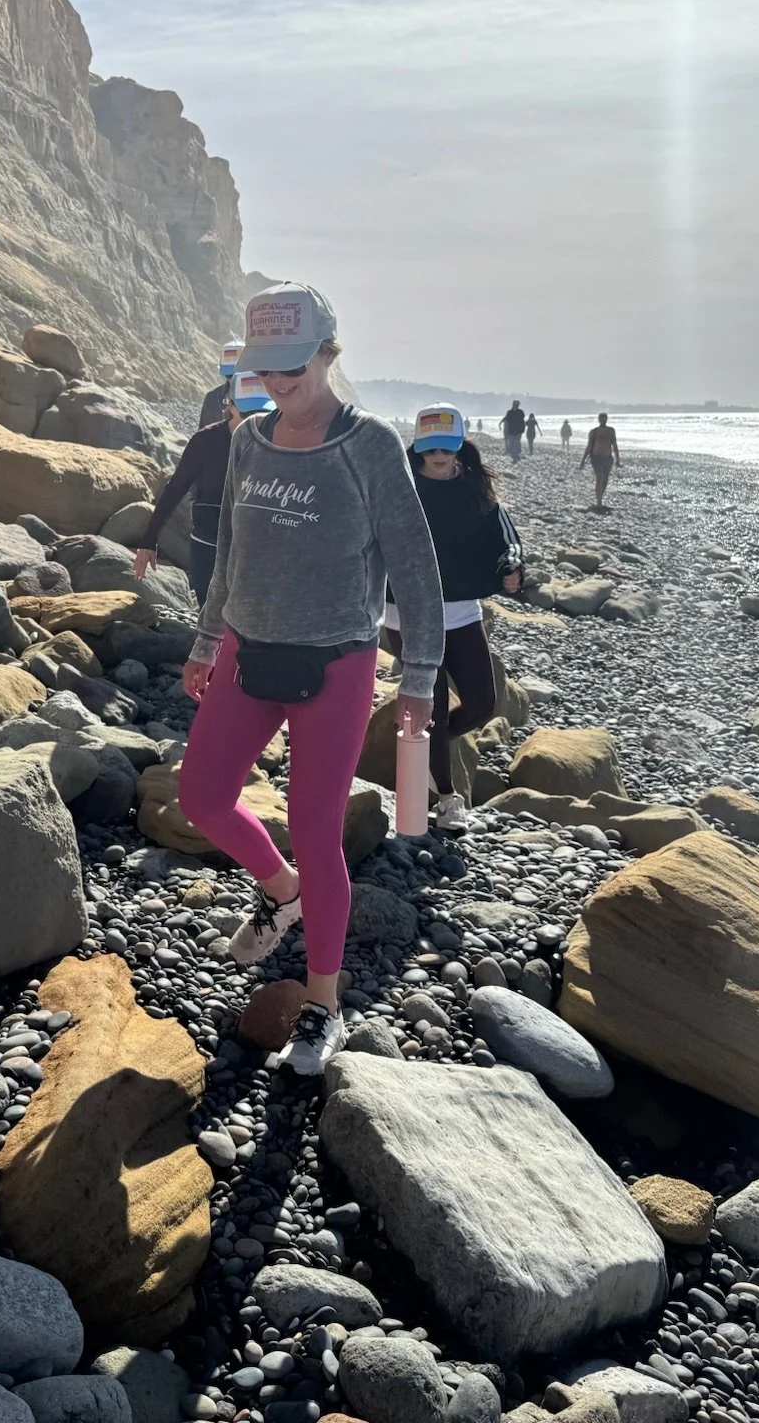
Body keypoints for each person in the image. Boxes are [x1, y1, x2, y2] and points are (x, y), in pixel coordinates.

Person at [178, 283, 444, 1075]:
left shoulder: (370, 446)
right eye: (265, 368)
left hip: (337, 662)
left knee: (318, 831)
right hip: (246, 650)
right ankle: (281, 890)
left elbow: (415, 568)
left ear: (329, 353)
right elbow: (231, 553)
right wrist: (206, 638)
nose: (278, 382)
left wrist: (420, 678)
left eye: (292, 366)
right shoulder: (249, 439)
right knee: (200, 797)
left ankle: (323, 1004)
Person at [382, 405, 522, 833]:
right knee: (435, 707)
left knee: (482, 703)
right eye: (430, 449)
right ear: (418, 448)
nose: (438, 456)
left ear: (460, 444)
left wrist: (512, 568)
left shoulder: (476, 488)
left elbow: (506, 540)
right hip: (407, 613)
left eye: (446, 447)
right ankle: (447, 798)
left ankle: (426, 747)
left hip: (461, 610)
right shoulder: (400, 486)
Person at [135, 372, 272, 602]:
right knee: (209, 613)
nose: (255, 420)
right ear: (230, 406)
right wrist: (149, 541)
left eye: (263, 413)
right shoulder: (205, 441)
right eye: (248, 414)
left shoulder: (276, 444)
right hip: (209, 547)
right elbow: (175, 489)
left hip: (254, 549)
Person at [198, 339, 248, 429]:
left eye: (239, 376)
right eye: (230, 375)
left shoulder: (266, 397)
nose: (234, 380)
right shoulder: (212, 398)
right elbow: (203, 434)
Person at [581, 410, 620, 508]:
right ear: (599, 420)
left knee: (605, 480)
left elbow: (614, 445)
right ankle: (599, 501)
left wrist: (618, 459)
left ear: (607, 419)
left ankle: (600, 496)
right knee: (599, 478)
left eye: (605, 418)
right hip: (596, 458)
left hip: (607, 458)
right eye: (601, 419)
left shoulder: (611, 431)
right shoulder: (594, 432)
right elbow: (589, 446)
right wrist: (583, 461)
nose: (603, 420)